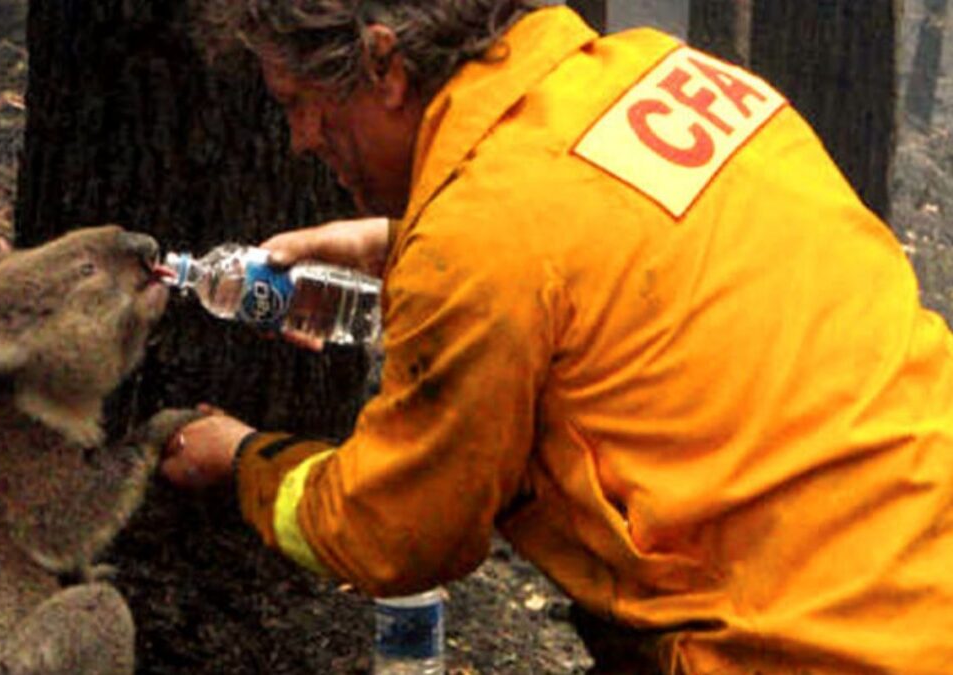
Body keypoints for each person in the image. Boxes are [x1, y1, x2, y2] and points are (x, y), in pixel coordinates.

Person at [161, 1, 953, 672]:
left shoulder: (480, 244)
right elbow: (604, 244)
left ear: (384, 65)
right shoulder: (657, 72)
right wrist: (402, 245)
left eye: (297, 102)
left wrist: (242, 460)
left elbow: (394, 533)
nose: (299, 138)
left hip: (809, 644)